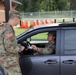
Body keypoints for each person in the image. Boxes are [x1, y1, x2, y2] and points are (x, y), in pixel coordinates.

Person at [0, 10, 25, 75]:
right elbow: (9, 47)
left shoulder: (3, 27)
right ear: (16, 18)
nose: (19, 21)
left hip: (5, 60)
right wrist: (20, 48)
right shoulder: (9, 30)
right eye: (19, 19)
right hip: (10, 62)